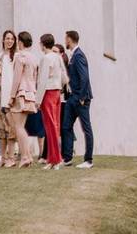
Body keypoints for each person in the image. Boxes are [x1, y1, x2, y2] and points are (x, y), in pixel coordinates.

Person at [62, 30, 94, 169]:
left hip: (81, 99)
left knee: (86, 128)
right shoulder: (73, 55)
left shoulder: (79, 55)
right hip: (71, 99)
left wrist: (81, 97)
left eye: (65, 39)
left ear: (69, 39)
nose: (65, 41)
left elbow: (85, 77)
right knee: (66, 126)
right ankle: (67, 158)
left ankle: (88, 160)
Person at [37, 34, 69, 170]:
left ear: (43, 44)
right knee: (54, 126)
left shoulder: (45, 58)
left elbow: (42, 79)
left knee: (50, 127)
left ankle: (55, 159)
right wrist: (61, 87)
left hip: (48, 93)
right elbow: (64, 76)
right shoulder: (57, 57)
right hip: (56, 93)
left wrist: (38, 100)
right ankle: (53, 159)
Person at [8, 31, 39, 168]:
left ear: (20, 42)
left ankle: (26, 156)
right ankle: (27, 155)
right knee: (21, 127)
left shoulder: (20, 56)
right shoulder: (33, 57)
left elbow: (16, 78)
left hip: (21, 93)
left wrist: (11, 96)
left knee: (18, 127)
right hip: (31, 93)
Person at [0, 29, 17, 167]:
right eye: (7, 38)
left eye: (12, 39)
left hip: (10, 97)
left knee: (11, 128)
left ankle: (11, 157)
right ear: (3, 40)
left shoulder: (15, 56)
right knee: (1, 129)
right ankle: (3, 156)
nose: (9, 41)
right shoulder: (0, 56)